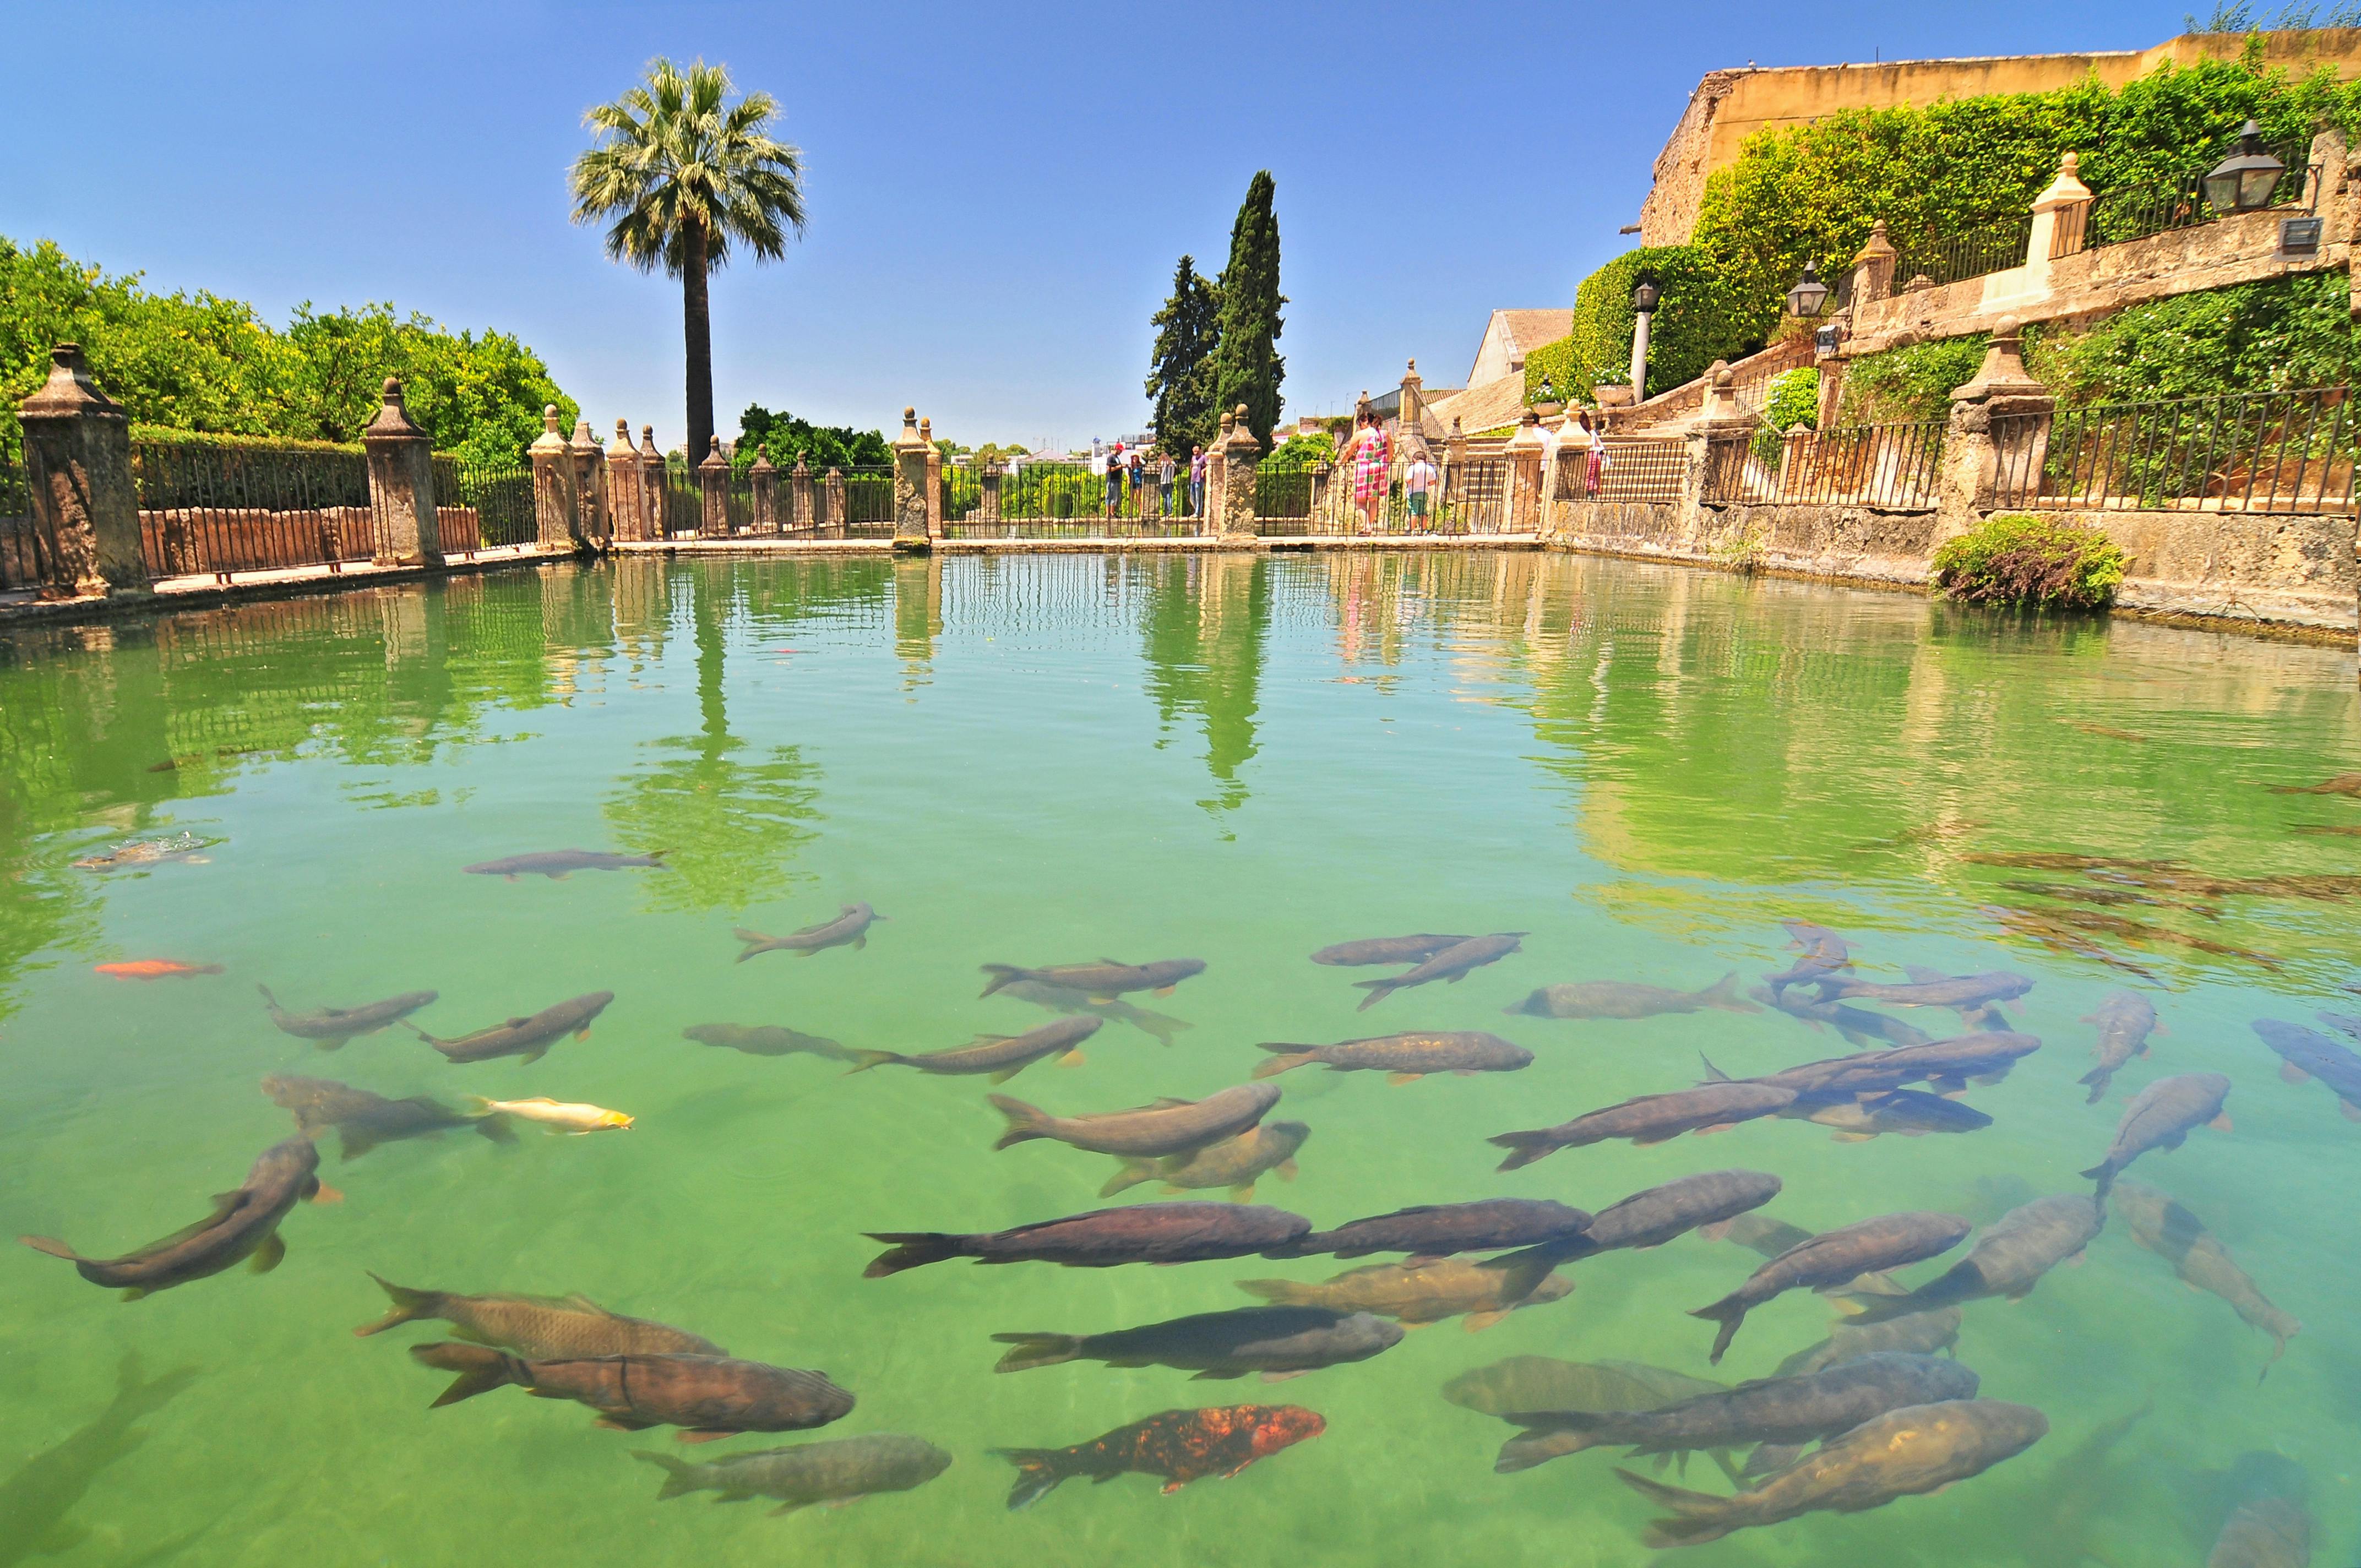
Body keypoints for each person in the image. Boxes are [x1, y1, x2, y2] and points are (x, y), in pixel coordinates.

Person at [1351, 411, 1391, 533]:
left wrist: (1341, 462)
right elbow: (1391, 451)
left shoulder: (1361, 434)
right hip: (1380, 469)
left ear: (1365, 422)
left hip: (1364, 468)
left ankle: (1367, 527)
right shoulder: (1385, 434)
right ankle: (1367, 527)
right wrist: (1386, 464)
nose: (1360, 427)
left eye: (1360, 424)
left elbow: (1349, 451)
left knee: (1361, 500)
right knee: (1374, 500)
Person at [1403, 448, 1438, 533]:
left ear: (1414, 459)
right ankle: (1424, 530)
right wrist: (1427, 484)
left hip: (1414, 492)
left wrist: (1413, 483)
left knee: (1413, 511)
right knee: (1423, 511)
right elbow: (1434, 481)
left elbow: (1408, 479)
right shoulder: (1429, 468)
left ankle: (1412, 530)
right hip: (1424, 492)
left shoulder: (1413, 467)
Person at [1103, 441, 1125, 515]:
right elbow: (1109, 469)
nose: (1121, 452)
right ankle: (1108, 513)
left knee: (1115, 496)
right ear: (1117, 449)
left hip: (1117, 479)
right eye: (1120, 450)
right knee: (1110, 495)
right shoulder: (1111, 457)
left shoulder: (1117, 458)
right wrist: (1119, 467)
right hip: (1111, 480)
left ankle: (1112, 512)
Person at [1189, 444, 1207, 516]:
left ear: (1200, 450)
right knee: (1191, 495)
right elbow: (1191, 466)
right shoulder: (1193, 458)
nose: (1195, 451)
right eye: (1194, 450)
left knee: (1198, 496)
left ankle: (1198, 512)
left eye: (1196, 450)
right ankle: (1197, 509)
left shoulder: (1203, 458)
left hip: (1199, 480)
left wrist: (1203, 471)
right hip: (1193, 480)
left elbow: (1209, 466)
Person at [1158, 450, 1177, 516]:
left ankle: (1166, 511)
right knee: (1169, 497)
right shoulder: (1173, 463)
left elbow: (1159, 471)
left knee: (1165, 497)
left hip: (1163, 482)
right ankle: (1169, 512)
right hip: (1170, 482)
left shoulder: (1162, 463)